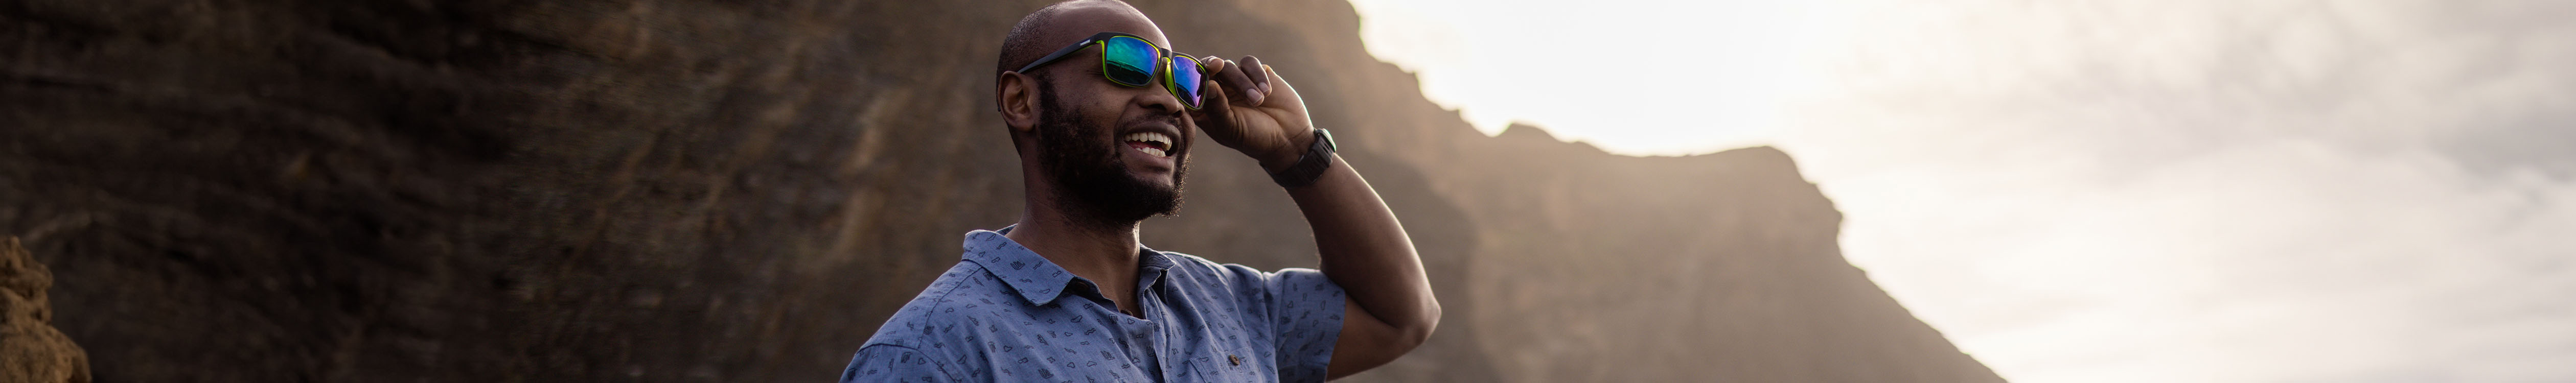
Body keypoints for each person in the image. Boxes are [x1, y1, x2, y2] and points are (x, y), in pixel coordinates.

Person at [836, 1, 1439, 381]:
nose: (1163, 99)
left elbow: (1402, 317)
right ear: (1022, 101)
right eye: (1122, 65)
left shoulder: (1227, 307)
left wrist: (1296, 151)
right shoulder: (931, 355)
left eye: (1179, 79)